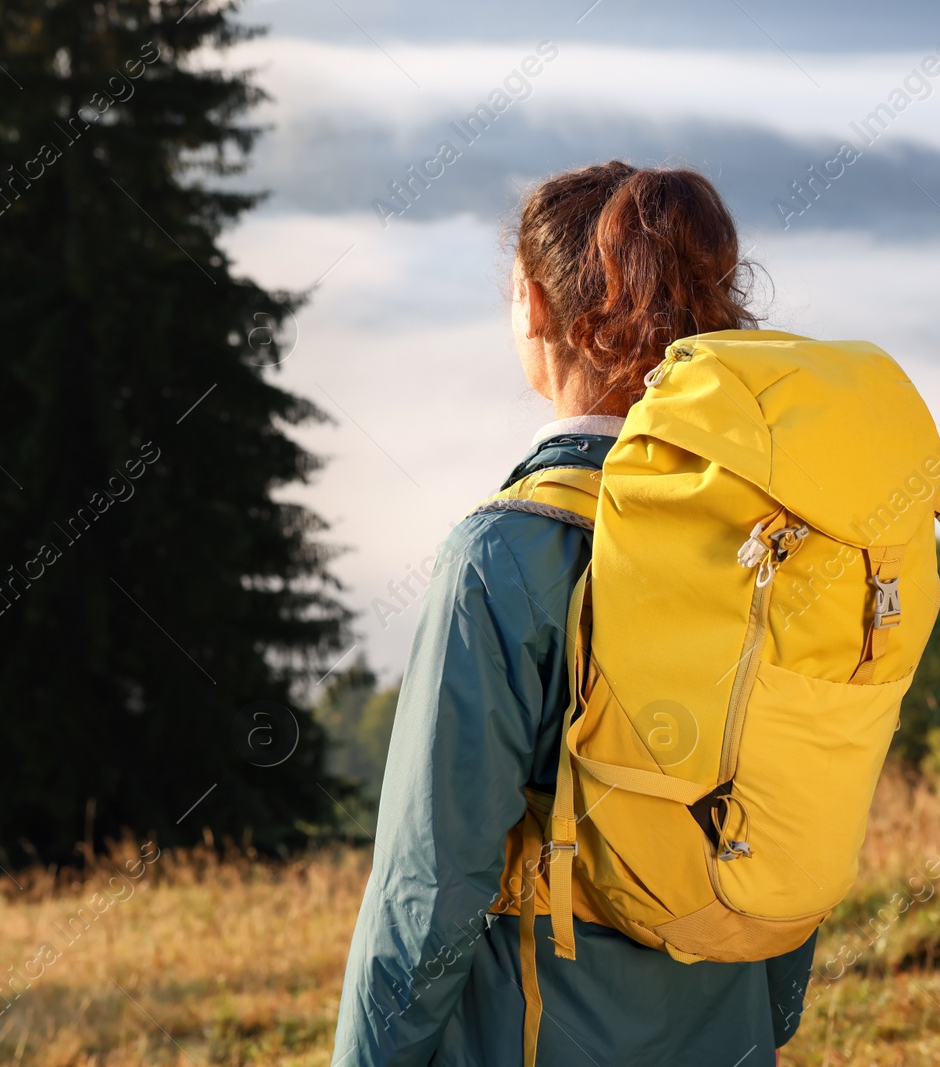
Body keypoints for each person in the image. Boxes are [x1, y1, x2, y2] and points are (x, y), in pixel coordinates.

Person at [332, 161, 815, 1066]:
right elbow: (796, 814)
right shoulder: (778, 539)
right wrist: (766, 1012)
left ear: (538, 307)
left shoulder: (505, 554)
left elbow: (430, 883)